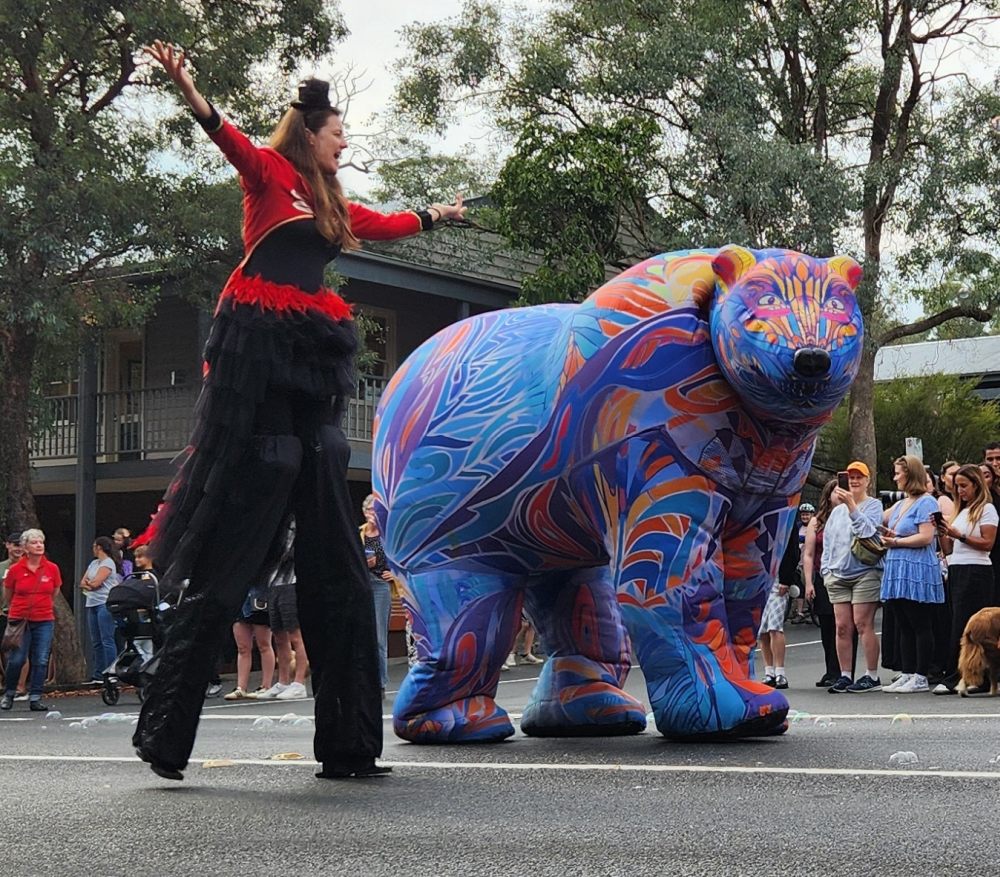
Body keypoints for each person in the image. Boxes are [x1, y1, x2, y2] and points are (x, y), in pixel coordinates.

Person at [131, 42, 465, 781]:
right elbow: (228, 138)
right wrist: (188, 86)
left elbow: (382, 223)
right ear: (309, 133)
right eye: (337, 132)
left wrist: (436, 214)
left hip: (312, 337)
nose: (345, 142)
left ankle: (350, 744)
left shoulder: (332, 201)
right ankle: (166, 733)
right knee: (277, 452)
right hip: (258, 337)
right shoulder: (271, 174)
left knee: (324, 460)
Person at [933, 464, 999, 695]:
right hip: (958, 568)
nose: (960, 491)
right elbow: (950, 549)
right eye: (957, 486)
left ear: (976, 485)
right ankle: (967, 675)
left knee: (969, 626)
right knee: (956, 623)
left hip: (977, 571)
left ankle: (962, 676)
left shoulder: (987, 509)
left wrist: (959, 535)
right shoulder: (962, 510)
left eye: (964, 486)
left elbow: (988, 543)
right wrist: (943, 532)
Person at [879, 456, 943, 693]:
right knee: (903, 623)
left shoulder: (927, 502)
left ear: (910, 474)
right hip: (898, 566)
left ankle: (921, 675)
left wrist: (896, 541)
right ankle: (907, 672)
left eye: (898, 473)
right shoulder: (902, 503)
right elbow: (881, 520)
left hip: (916, 567)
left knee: (919, 622)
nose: (895, 477)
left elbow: (926, 537)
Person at [820, 461, 884, 693]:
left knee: (862, 623)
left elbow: (868, 532)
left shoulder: (873, 505)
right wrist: (826, 570)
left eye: (859, 477)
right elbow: (829, 542)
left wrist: (851, 506)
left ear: (867, 480)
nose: (855, 481)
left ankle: (871, 675)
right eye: (851, 477)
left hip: (864, 572)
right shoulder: (836, 512)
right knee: (842, 626)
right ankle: (845, 674)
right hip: (837, 574)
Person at [802, 481, 856, 687]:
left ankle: (845, 671)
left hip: (845, 573)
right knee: (827, 624)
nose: (839, 494)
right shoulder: (817, 522)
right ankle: (831, 670)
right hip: (823, 575)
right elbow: (808, 554)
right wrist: (809, 582)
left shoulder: (852, 514)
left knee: (845, 624)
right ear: (828, 495)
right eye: (835, 491)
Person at [0, 530, 61, 712]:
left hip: (44, 619)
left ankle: (36, 696)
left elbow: (54, 591)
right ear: (26, 547)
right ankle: (9, 693)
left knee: (41, 659)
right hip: (20, 619)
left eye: (41, 542)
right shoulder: (15, 570)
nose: (39, 545)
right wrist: (18, 609)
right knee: (17, 659)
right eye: (34, 542)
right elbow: (8, 594)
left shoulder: (52, 568)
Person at [256, 522, 310, 701]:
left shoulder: (295, 525)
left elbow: (285, 553)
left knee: (296, 636)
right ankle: (283, 682)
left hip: (291, 583)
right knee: (278, 636)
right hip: (273, 584)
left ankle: (299, 683)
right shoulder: (274, 527)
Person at [361, 495, 394, 699]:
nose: (372, 514)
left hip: (380, 585)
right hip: (361, 584)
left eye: (375, 510)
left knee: (379, 637)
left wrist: (394, 574)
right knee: (361, 635)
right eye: (369, 510)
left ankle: (380, 684)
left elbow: (400, 558)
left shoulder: (387, 534)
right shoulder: (358, 533)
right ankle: (364, 682)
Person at [81, 536, 123, 682]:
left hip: (104, 602)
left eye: (94, 546)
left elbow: (96, 583)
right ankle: (98, 673)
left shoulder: (108, 563)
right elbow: (83, 582)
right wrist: (89, 584)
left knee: (107, 639)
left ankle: (111, 672)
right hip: (91, 602)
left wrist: (90, 584)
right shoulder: (94, 563)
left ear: (99, 547)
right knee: (96, 641)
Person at [224, 583, 276, 700]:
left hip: (259, 598)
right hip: (239, 598)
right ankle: (241, 688)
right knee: (242, 647)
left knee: (264, 644)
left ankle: (266, 686)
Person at [788, 503, 814, 624]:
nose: (805, 517)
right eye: (803, 515)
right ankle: (800, 612)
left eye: (807, 515)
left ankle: (814, 610)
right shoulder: (798, 527)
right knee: (799, 587)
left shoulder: (815, 527)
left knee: (811, 586)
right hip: (798, 562)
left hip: (809, 563)